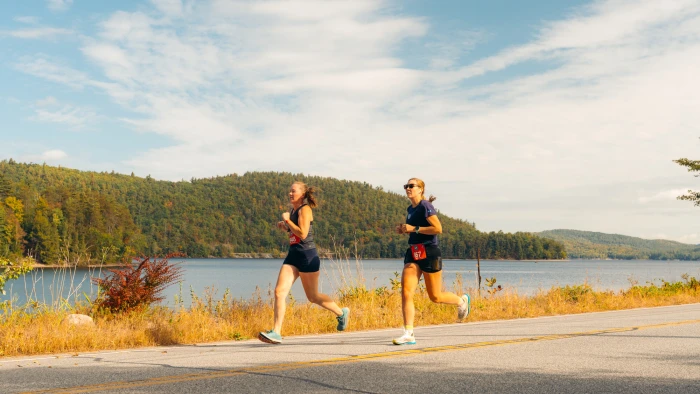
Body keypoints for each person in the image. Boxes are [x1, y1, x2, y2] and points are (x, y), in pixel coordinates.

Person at [259, 181, 350, 344]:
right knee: (279, 292)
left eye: (293, 191)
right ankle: (276, 332)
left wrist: (287, 221)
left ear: (302, 194)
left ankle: (341, 313)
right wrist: (286, 227)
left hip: (307, 256)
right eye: (290, 190)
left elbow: (303, 233)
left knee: (313, 297)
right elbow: (295, 231)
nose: (290, 193)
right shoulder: (294, 210)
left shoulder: (305, 209)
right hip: (293, 256)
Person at [392, 178, 470, 345]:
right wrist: (405, 230)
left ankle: (461, 301)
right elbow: (415, 230)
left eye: (411, 186)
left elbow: (438, 229)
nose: (408, 188)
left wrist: (415, 228)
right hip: (413, 252)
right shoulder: (410, 209)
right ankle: (408, 332)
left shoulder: (426, 206)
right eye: (406, 186)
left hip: (429, 252)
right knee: (406, 291)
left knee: (435, 296)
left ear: (421, 189)